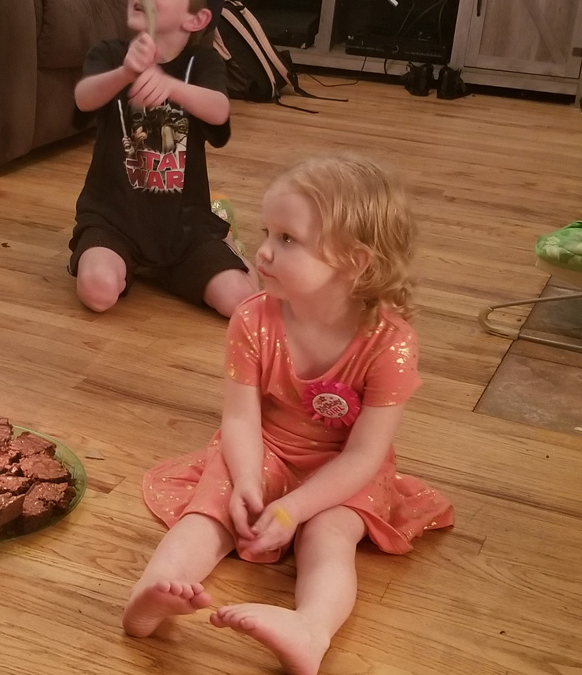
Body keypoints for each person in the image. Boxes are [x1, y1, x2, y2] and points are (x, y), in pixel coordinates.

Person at [123, 156, 455, 675]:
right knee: (210, 510)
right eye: (266, 232)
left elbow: (366, 454)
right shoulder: (253, 318)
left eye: (287, 240)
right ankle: (152, 592)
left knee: (330, 534)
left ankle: (311, 630)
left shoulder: (390, 344)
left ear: (357, 262)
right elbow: (239, 420)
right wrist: (250, 482)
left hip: (344, 466)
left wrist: (294, 509)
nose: (262, 251)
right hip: (265, 446)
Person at [69, 0, 258, 317]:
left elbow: (219, 109)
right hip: (113, 219)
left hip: (186, 229)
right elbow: (83, 98)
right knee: (97, 291)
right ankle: (112, 261)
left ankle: (224, 243)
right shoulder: (110, 53)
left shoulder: (202, 62)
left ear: (196, 19)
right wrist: (125, 73)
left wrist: (171, 86)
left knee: (239, 300)